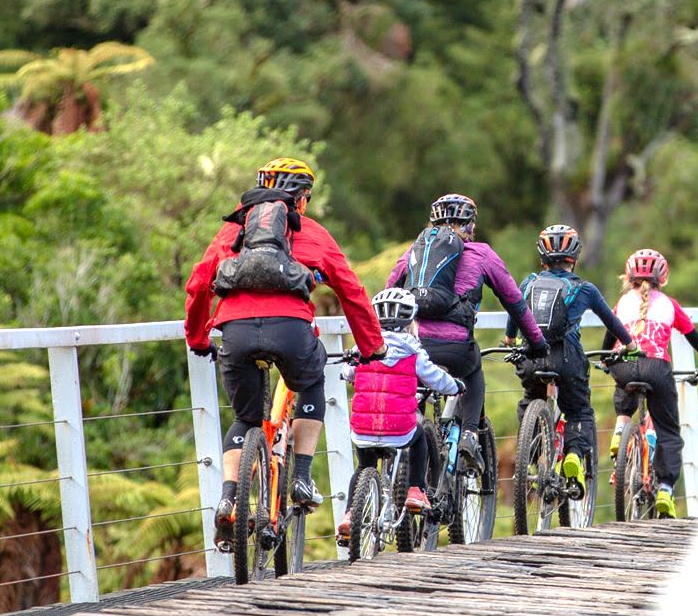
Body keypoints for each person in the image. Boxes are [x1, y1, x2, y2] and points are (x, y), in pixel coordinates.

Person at [185, 158, 384, 551]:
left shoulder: (232, 229)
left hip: (235, 333)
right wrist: (371, 346)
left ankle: (229, 498)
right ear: (302, 199)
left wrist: (198, 338)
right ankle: (301, 478)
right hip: (292, 330)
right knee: (311, 382)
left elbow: (197, 285)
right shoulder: (313, 232)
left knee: (245, 418)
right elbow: (351, 291)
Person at [386, 194, 550, 442]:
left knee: (412, 400)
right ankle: (470, 436)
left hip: (414, 345)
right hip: (456, 349)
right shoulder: (482, 253)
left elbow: (389, 291)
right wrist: (537, 343)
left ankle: (407, 448)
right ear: (469, 223)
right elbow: (515, 302)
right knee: (473, 370)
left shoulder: (415, 251)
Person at [504, 224, 633, 496]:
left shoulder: (528, 283)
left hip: (531, 356)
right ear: (574, 258)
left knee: (529, 402)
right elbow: (613, 322)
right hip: (567, 358)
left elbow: (514, 312)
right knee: (579, 410)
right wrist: (630, 344)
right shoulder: (584, 288)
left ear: (542, 259)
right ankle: (574, 454)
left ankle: (532, 449)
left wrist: (510, 340)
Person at [337, 288, 466, 542]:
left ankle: (350, 515)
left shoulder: (362, 344)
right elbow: (435, 379)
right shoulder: (412, 349)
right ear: (410, 320)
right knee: (418, 438)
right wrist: (456, 386)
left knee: (363, 467)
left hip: (363, 427)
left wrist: (350, 372)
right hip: (399, 428)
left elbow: (348, 372)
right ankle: (416, 490)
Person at [604, 249, 698, 518]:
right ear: (663, 278)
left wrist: (605, 361)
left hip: (623, 365)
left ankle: (621, 428)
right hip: (657, 369)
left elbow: (610, 332)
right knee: (668, 429)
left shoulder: (622, 302)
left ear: (628, 277)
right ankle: (666, 489)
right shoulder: (670, 304)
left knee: (624, 380)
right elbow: (696, 338)